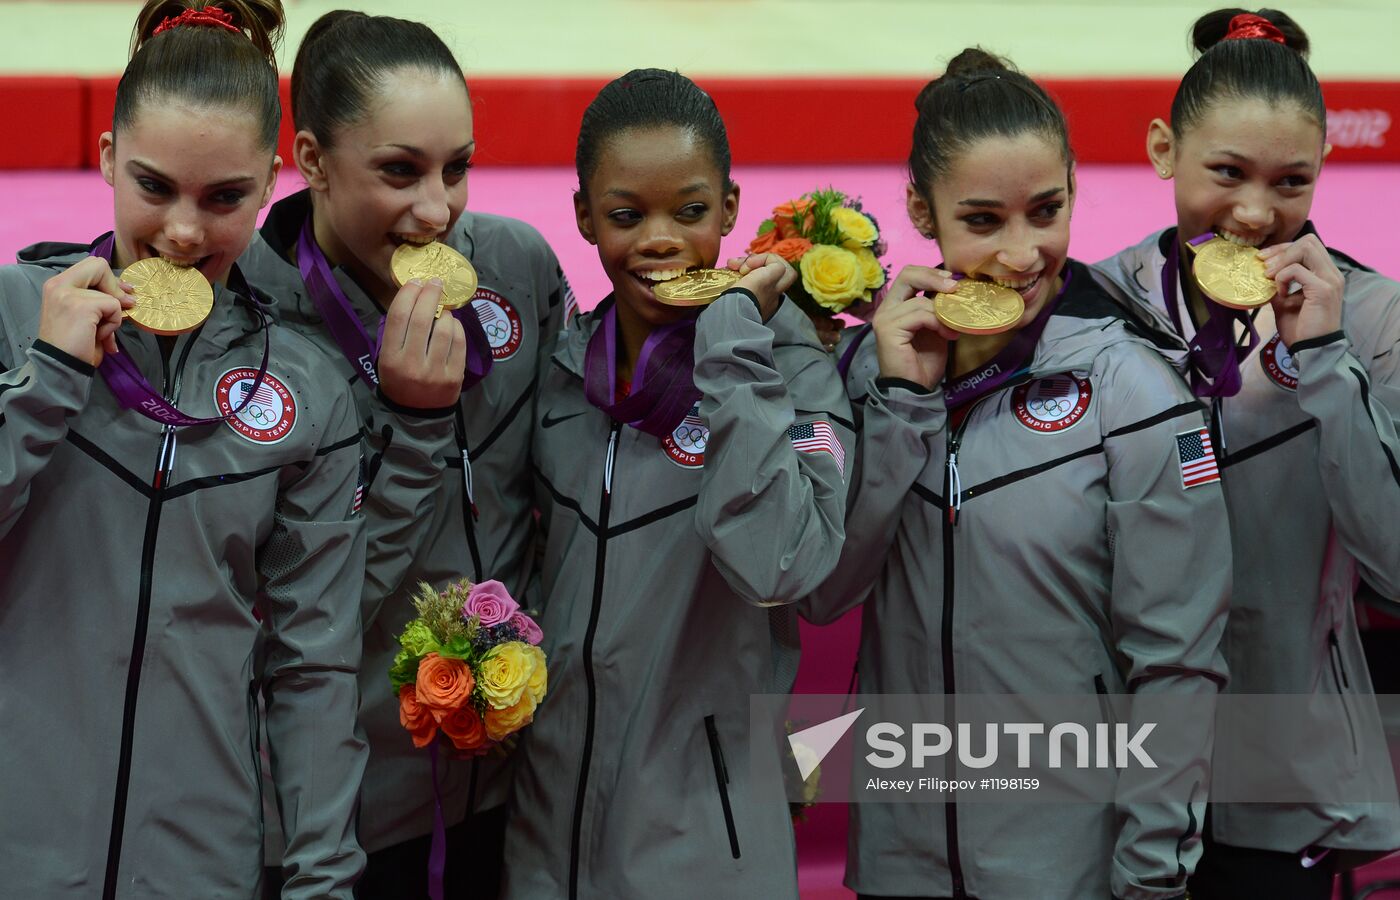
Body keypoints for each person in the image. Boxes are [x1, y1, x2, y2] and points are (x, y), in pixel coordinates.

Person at [803, 48, 1231, 900]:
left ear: (1074, 189)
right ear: (925, 212)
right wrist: (899, 404)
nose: (1023, 254)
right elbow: (824, 593)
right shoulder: (868, 371)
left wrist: (1152, 875)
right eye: (984, 220)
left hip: (1073, 867)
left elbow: (1178, 663)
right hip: (903, 859)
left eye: (1047, 210)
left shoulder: (1133, 387)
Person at [0, 2, 368, 897]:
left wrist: (322, 879)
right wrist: (48, 375)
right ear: (105, 161)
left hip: (200, 865)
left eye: (225, 197)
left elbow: (314, 665)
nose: (184, 233)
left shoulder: (309, 389)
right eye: (154, 186)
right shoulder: (13, 318)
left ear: (274, 181)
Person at [238, 11, 572, 896]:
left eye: (457, 167)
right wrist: (412, 427)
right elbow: (300, 611)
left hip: (519, 789)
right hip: (347, 814)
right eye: (399, 171)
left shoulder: (516, 264)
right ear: (310, 158)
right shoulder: (252, 337)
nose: (438, 211)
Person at [500, 68, 852, 899]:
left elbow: (782, 568)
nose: (658, 240)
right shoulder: (558, 370)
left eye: (688, 213)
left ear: (729, 210)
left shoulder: (794, 369)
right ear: (585, 216)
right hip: (546, 834)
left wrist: (731, 341)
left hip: (709, 844)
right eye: (626, 216)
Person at [1094, 9, 1400, 897]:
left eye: (1291, 182)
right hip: (1109, 765)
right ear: (1163, 149)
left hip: (1281, 774)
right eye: (1225, 173)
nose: (1256, 214)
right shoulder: (1090, 307)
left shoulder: (1372, 319)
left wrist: (1324, 364)